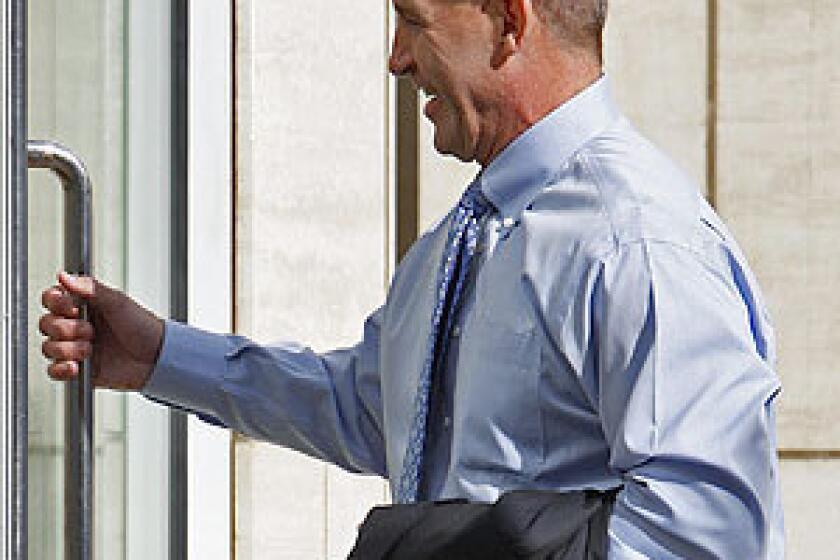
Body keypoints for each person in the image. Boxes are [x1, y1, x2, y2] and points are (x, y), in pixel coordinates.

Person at [40, 0, 784, 557]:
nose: (397, 58)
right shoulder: (461, 240)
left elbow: (708, 535)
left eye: (414, 20)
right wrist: (160, 357)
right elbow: (374, 411)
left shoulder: (638, 240)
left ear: (509, 20)